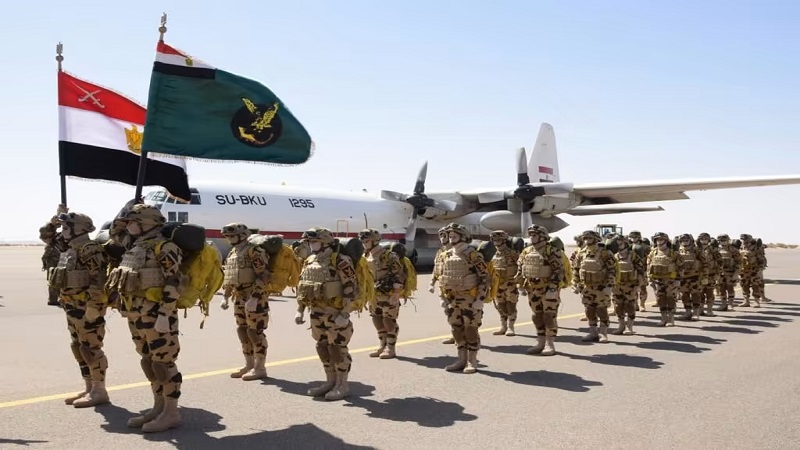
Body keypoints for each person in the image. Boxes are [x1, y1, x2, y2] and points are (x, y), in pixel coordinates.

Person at [106, 204, 183, 432]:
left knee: (163, 363)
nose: (128, 226)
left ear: (147, 224)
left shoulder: (165, 247)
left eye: (133, 222)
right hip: (136, 313)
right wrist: (126, 210)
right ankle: (158, 407)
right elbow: (114, 232)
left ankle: (171, 412)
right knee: (148, 362)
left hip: (156, 315)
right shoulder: (135, 245)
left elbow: (174, 282)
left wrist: (165, 313)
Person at [43, 209, 110, 407]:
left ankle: (100, 390)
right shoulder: (70, 247)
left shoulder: (89, 249)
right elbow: (46, 237)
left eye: (66, 227)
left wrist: (94, 306)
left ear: (78, 229)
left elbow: (99, 279)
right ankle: (89, 387)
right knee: (78, 347)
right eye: (62, 227)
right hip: (71, 305)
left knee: (91, 348)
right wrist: (53, 222)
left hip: (86, 308)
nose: (62, 231)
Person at [294, 227, 357, 401]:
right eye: (309, 242)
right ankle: (330, 381)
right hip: (316, 312)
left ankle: (342, 385)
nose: (311, 245)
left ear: (325, 242)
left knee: (337, 349)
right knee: (322, 347)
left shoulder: (340, 260)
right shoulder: (310, 260)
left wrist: (345, 313)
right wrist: (300, 310)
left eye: (314, 241)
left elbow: (351, 287)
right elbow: (303, 287)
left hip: (334, 313)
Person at [220, 223, 271, 381]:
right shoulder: (233, 252)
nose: (229, 239)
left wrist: (254, 297)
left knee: (255, 332)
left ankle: (260, 367)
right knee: (242, 331)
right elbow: (230, 276)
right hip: (239, 297)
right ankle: (249, 364)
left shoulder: (254, 251)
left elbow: (263, 275)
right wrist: (225, 296)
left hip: (254, 298)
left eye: (232, 236)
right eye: (227, 236)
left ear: (242, 235)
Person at [437, 223, 490, 374]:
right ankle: (461, 359)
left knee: (470, 329)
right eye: (450, 235)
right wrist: (442, 297)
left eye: (455, 235)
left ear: (463, 236)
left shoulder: (473, 255)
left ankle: (472, 360)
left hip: (469, 299)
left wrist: (480, 298)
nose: (451, 237)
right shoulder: (445, 255)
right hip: (452, 299)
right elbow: (442, 277)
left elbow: (485, 278)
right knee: (456, 329)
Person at [515, 224, 565, 355]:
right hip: (532, 290)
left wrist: (553, 288)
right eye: (530, 235)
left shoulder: (551, 251)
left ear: (542, 237)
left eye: (534, 235)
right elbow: (520, 269)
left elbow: (559, 271)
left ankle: (550, 343)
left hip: (548, 289)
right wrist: (520, 285)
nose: (531, 237)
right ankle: (540, 342)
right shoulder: (526, 251)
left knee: (549, 316)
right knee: (537, 316)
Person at [360, 228, 406, 359]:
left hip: (388, 294)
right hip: (373, 295)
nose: (364, 243)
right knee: (377, 319)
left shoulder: (388, 256)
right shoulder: (366, 256)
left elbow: (399, 275)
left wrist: (396, 294)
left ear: (375, 241)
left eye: (366, 241)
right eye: (363, 241)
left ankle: (390, 348)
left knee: (388, 320)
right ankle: (382, 344)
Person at [572, 230, 616, 342]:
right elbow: (576, 269)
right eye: (585, 238)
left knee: (602, 310)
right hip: (587, 287)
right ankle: (593, 332)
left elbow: (612, 270)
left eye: (589, 238)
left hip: (601, 287)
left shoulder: (605, 253)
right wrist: (575, 283)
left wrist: (609, 285)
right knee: (589, 310)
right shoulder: (581, 253)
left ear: (596, 239)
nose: (587, 240)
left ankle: (603, 333)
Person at [489, 230, 521, 336]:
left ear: (504, 240)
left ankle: (511, 327)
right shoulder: (492, 253)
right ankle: (503, 326)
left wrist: (519, 280)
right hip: (497, 284)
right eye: (494, 239)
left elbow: (521, 266)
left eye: (498, 239)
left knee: (511, 305)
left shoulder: (512, 253)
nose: (496, 241)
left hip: (510, 283)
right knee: (500, 305)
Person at [647, 232, 682, 327]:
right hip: (658, 280)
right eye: (657, 239)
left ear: (666, 241)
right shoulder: (653, 252)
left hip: (670, 280)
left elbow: (680, 267)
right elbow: (649, 266)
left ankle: (671, 319)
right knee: (660, 299)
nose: (659, 241)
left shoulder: (673, 253)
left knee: (670, 299)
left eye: (661, 239)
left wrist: (678, 280)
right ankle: (663, 318)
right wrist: (650, 279)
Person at [428, 226, 455, 344]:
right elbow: (436, 269)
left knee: (459, 312)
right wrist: (432, 283)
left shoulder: (457, 251)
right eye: (441, 236)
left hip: (457, 287)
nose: (443, 238)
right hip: (443, 288)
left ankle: (465, 336)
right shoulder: (440, 252)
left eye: (445, 236)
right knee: (448, 311)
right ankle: (455, 334)